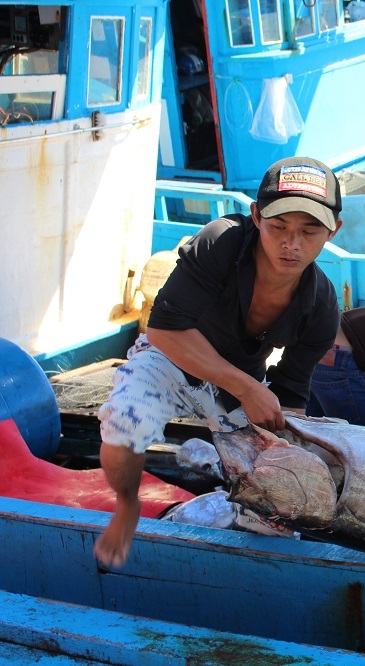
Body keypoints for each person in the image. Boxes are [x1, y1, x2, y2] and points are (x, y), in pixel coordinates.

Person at [94, 157, 344, 569]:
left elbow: (291, 393)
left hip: (235, 386)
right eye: (279, 227)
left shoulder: (321, 305)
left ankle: (251, 549)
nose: (291, 244)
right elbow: (164, 329)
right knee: (125, 423)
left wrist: (284, 457)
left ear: (333, 230)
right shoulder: (222, 241)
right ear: (256, 216)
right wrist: (248, 388)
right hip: (171, 358)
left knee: (274, 510)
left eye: (309, 231)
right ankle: (126, 506)